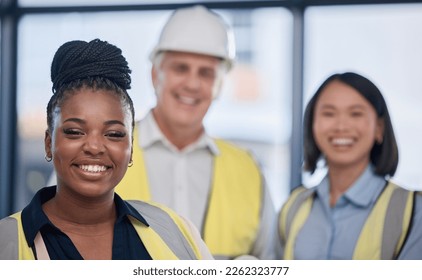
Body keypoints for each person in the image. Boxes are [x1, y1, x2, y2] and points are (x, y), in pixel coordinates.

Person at [0, 39, 212, 260]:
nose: (94, 147)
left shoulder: (173, 231)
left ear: (130, 148)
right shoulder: (6, 242)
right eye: (74, 131)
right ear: (48, 143)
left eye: (113, 134)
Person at [114, 5, 277, 260]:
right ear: (156, 74)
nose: (192, 84)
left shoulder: (248, 170)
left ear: (219, 85)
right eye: (181, 68)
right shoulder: (101, 151)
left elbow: (271, 263)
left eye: (206, 73)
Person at [278, 72, 422, 260]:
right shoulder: (293, 207)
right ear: (313, 125)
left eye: (356, 114)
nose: (341, 126)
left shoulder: (413, 211)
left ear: (379, 128)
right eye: (329, 113)